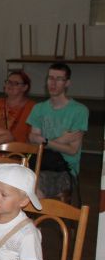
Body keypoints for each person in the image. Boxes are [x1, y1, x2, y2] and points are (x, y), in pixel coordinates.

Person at [26, 63, 89, 199]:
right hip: (39, 164)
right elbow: (34, 143)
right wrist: (61, 140)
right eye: (50, 78)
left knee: (32, 186)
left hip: (65, 170)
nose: (53, 83)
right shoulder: (39, 108)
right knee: (15, 181)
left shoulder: (79, 111)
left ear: (67, 83)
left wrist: (45, 141)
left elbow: (72, 150)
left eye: (59, 79)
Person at [0, 70, 35, 143]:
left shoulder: (33, 108)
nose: (10, 85)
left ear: (25, 87)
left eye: (16, 83)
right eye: (8, 82)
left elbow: (35, 136)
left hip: (22, 148)